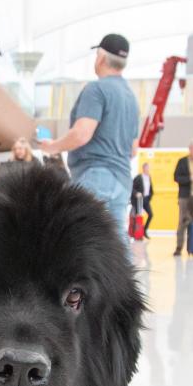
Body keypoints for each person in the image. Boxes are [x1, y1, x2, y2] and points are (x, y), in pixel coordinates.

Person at [39, 34, 139, 239]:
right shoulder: (131, 97)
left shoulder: (97, 89)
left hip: (96, 174)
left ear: (101, 57)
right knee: (115, 243)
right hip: (122, 179)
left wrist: (53, 146)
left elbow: (82, 134)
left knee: (78, 238)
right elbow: (133, 149)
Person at [131, 161, 154, 238]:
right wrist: (136, 193)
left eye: (149, 168)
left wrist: (150, 196)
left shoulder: (149, 177)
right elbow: (132, 188)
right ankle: (137, 233)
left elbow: (150, 189)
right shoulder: (138, 177)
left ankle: (144, 230)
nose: (148, 169)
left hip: (146, 200)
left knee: (151, 214)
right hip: (139, 200)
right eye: (147, 168)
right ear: (143, 168)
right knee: (138, 217)